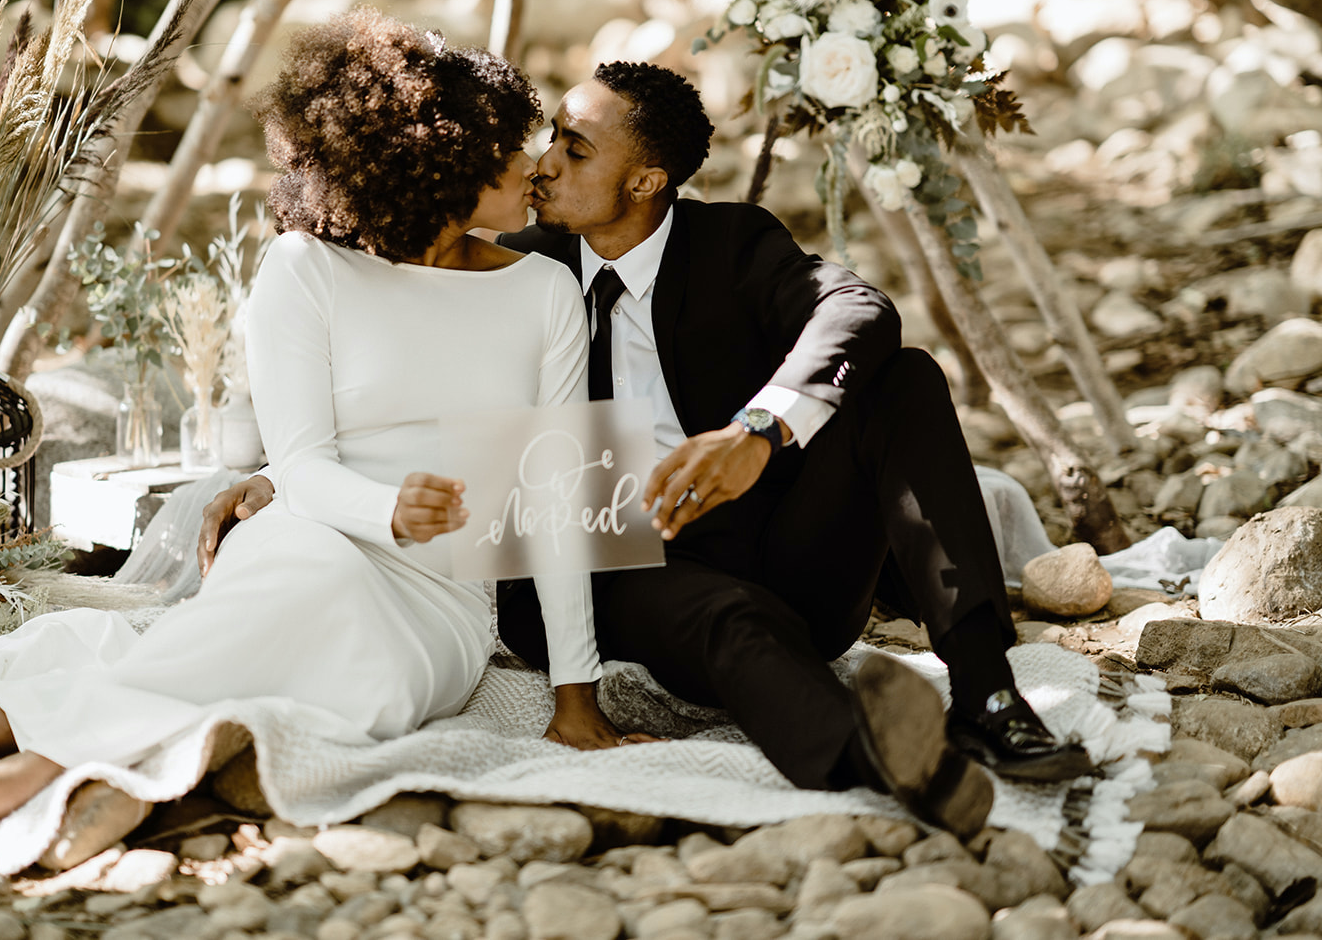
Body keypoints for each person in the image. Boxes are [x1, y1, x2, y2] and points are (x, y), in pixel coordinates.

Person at [201, 62, 1091, 838]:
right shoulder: (513, 259)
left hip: (782, 546)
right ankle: (882, 761)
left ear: (647, 181)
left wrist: (758, 430)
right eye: (551, 137)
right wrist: (285, 472)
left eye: (577, 150)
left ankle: (986, 691)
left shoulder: (734, 245)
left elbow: (859, 311)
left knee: (906, 377)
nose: (544, 161)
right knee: (727, 623)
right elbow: (407, 377)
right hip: (608, 557)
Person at [0, 10, 649, 857]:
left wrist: (578, 695)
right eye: (511, 148)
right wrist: (389, 507)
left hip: (441, 602)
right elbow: (304, 465)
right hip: (309, 535)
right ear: (442, 162)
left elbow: (561, 496)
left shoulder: (543, 292)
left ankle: (16, 745)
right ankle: (33, 775)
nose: (535, 166)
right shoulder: (303, 268)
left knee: (345, 641)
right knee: (310, 580)